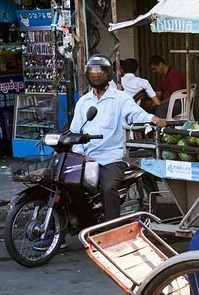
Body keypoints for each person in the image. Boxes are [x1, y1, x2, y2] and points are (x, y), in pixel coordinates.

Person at [70, 55, 166, 226]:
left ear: (108, 75)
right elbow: (75, 132)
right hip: (86, 158)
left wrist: (152, 118)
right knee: (66, 184)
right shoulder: (83, 102)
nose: (96, 75)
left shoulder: (120, 99)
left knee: (108, 188)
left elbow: (136, 114)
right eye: (92, 72)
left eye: (100, 72)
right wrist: (79, 154)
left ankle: (111, 230)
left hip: (112, 158)